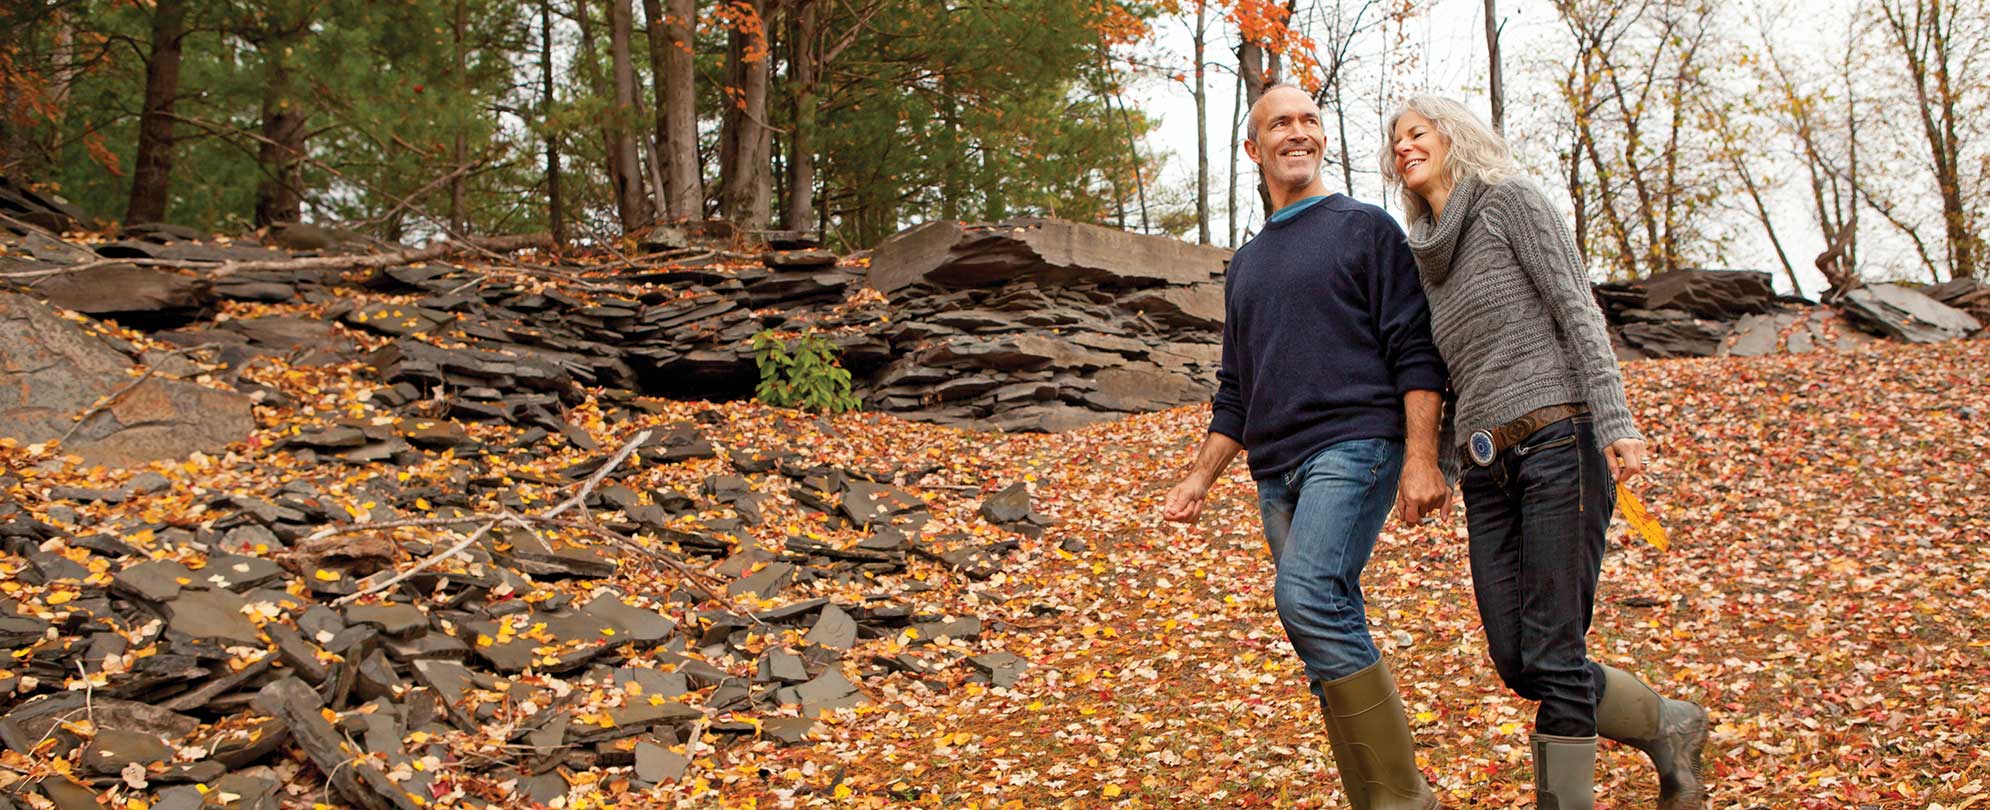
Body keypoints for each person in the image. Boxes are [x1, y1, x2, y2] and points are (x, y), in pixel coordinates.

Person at [1380, 95, 1709, 810]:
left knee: (1555, 657)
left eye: (1417, 131)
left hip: (1562, 439)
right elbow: (1436, 369)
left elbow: (1574, 305)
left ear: (1452, 135)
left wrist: (1617, 420)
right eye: (1395, 139)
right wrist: (1429, 460)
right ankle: (1669, 724)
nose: (1404, 145)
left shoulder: (1509, 201)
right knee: (1518, 659)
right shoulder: (1425, 257)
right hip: (1487, 470)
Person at [1162, 84, 1448, 810]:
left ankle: (1406, 802)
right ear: (1254, 150)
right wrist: (1200, 478)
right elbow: (1237, 389)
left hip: (1356, 445)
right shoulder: (1249, 264)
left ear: (1322, 139)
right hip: (1275, 470)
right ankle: (1379, 800)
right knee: (1322, 630)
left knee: (1306, 595)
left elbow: (1415, 350)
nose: (1298, 132)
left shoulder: (1366, 229)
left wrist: (1421, 457)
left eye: (1310, 120)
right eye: (1279, 124)